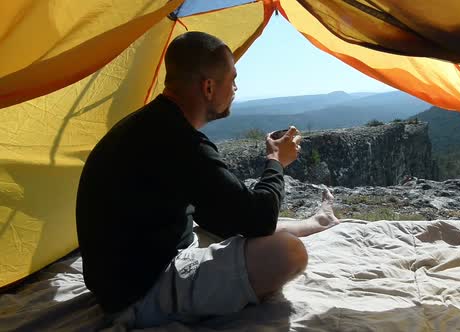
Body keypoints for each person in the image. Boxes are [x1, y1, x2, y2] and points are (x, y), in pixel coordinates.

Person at [75, 31, 339, 328]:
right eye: (233, 78)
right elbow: (259, 220)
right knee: (288, 254)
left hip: (125, 273)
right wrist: (277, 160)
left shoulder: (150, 126)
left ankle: (316, 223)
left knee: (234, 223)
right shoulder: (178, 142)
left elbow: (227, 214)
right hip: (139, 292)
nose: (237, 87)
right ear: (209, 87)